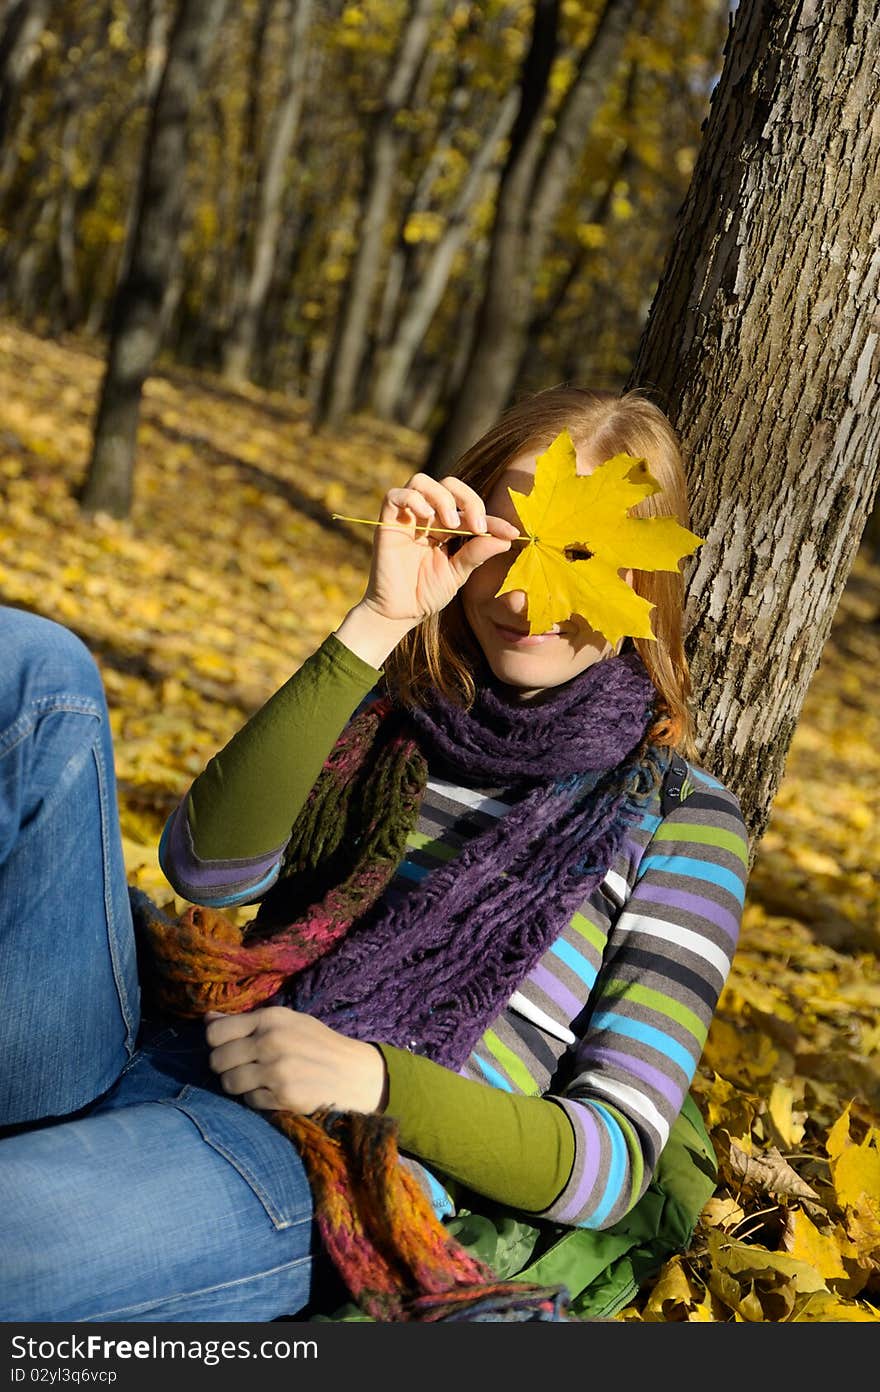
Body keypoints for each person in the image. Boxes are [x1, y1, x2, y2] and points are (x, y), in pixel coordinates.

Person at [0, 385, 748, 1324]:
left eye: (578, 558)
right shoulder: (392, 714)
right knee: (36, 669)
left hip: (315, 1164)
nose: (524, 594)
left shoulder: (682, 819)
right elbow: (208, 870)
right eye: (505, 546)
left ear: (645, 580)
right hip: (162, 1045)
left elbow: (613, 1160)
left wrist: (374, 1079)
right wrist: (379, 617)